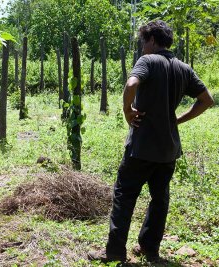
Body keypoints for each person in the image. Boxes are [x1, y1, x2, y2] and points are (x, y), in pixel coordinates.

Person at [88, 20, 214, 263]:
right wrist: (178, 119)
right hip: (168, 149)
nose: (142, 47)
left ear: (153, 40)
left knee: (124, 197)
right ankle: (150, 250)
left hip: (141, 148)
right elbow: (206, 99)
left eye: (143, 41)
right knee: (160, 200)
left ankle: (115, 252)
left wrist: (127, 110)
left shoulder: (147, 61)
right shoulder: (183, 68)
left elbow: (131, 83)